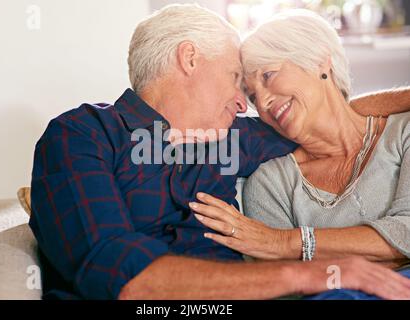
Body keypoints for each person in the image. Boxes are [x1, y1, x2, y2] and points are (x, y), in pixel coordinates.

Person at [30, 4, 410, 300]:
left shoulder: (227, 138)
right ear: (190, 58)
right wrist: (320, 272)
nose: (245, 105)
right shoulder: (82, 135)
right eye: (235, 79)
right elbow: (124, 279)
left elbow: (326, 119)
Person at [190, 10, 410, 299]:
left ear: (320, 60)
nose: (264, 102)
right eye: (253, 97)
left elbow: (406, 231)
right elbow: (287, 287)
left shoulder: (403, 131)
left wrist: (283, 241)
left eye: (268, 75)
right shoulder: (270, 182)